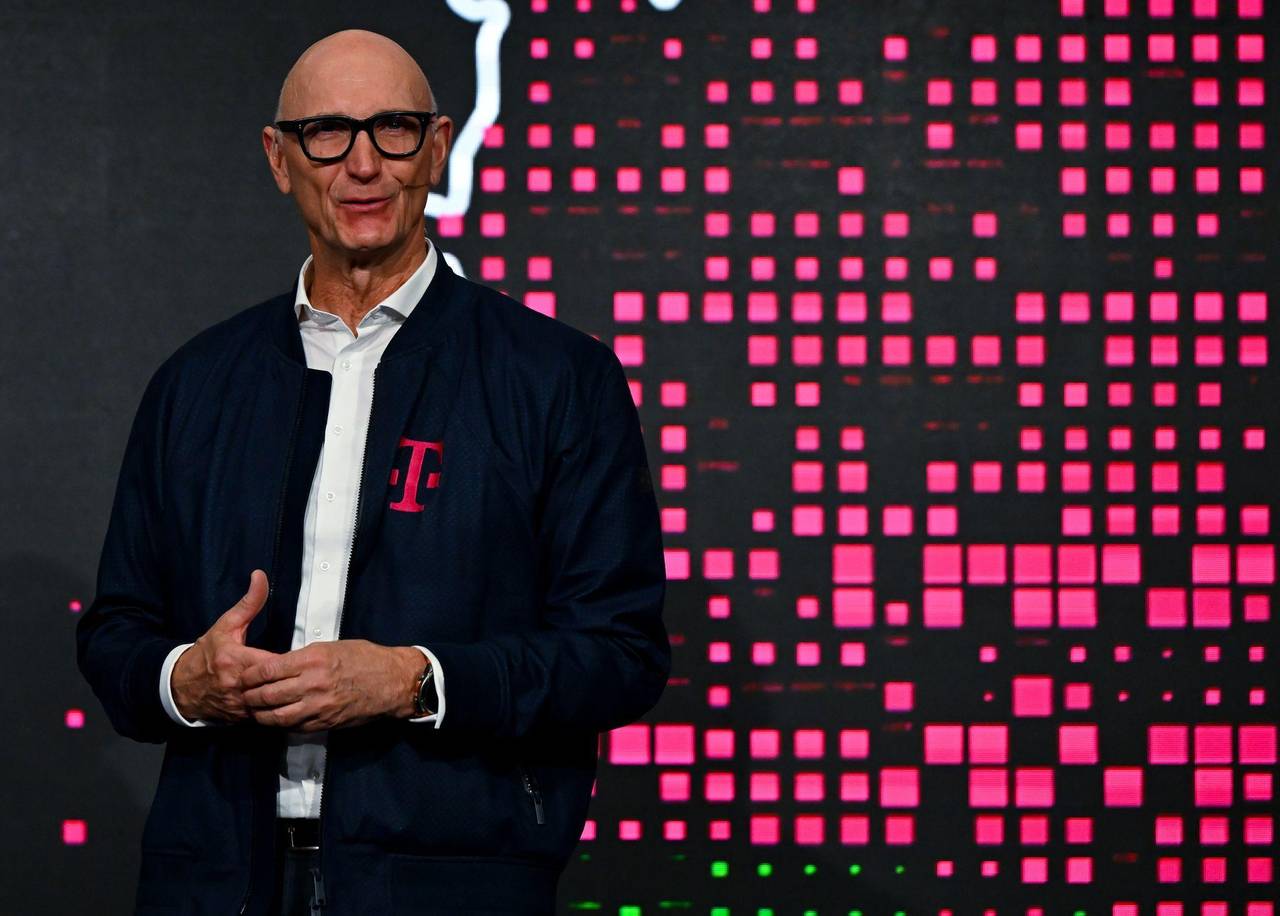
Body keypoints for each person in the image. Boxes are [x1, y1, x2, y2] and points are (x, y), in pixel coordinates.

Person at [75, 29, 670, 916]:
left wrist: (413, 681)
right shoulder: (195, 384)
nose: (363, 165)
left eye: (393, 129)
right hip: (214, 879)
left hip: (452, 880)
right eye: (327, 133)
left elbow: (620, 655)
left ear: (437, 147)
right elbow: (116, 633)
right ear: (279, 158)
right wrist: (186, 680)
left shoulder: (557, 379)